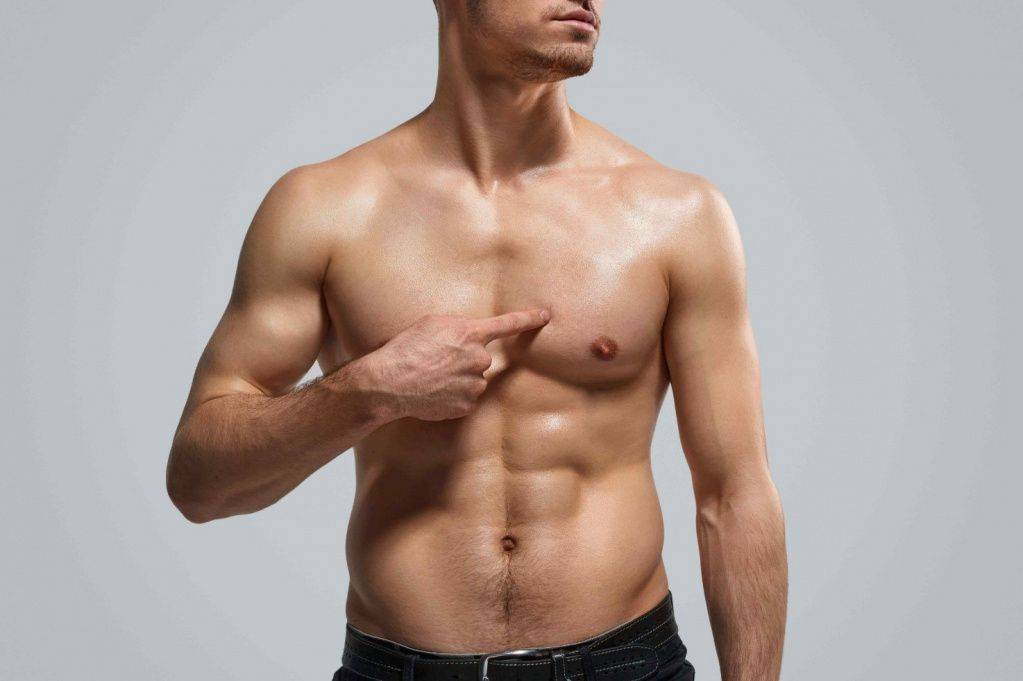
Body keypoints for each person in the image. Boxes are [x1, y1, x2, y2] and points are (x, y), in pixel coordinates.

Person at [165, 1, 788, 679]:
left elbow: (734, 494)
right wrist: (368, 391)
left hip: (623, 666)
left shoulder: (678, 215)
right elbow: (199, 484)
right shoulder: (324, 209)